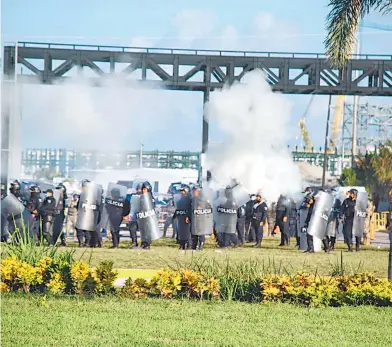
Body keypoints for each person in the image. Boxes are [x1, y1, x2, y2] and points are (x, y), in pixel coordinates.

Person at [174, 185, 192, 250]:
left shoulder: (189, 199)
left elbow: (190, 209)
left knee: (187, 231)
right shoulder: (180, 199)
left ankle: (189, 244)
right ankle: (182, 244)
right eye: (181, 191)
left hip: (186, 217)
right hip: (180, 217)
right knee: (181, 231)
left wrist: (188, 216)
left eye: (183, 191)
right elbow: (178, 208)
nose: (182, 193)